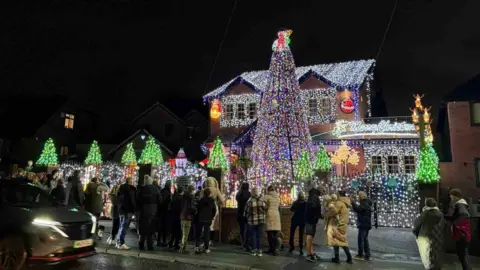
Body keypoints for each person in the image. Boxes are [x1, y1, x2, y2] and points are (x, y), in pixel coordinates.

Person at [413, 198, 445, 270]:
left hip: (425, 237)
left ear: (426, 204)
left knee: (427, 257)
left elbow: (416, 225)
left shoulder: (425, 214)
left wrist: (416, 234)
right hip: (438, 238)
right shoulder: (441, 214)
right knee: (436, 256)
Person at [326, 190, 352, 264]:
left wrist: (329, 210)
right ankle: (338, 258)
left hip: (337, 224)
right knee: (338, 241)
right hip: (343, 224)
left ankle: (348, 258)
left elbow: (333, 212)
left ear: (339, 195)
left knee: (341, 241)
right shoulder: (346, 203)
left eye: (337, 194)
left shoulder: (339, 203)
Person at [136, 175, 161, 251]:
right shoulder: (155, 189)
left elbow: (137, 200)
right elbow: (160, 200)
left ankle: (141, 244)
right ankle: (150, 245)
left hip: (143, 211)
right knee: (151, 228)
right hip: (153, 211)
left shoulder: (141, 190)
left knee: (143, 228)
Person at [447, 189, 470, 270]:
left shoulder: (460, 205)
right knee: (462, 255)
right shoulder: (461, 204)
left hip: (462, 234)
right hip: (463, 233)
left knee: (462, 256)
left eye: (451, 195)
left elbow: (464, 215)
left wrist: (456, 224)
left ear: (455, 196)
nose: (450, 197)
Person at [244, 187, 266, 257]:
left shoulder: (249, 201)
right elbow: (265, 209)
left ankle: (254, 250)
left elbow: (246, 212)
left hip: (252, 221)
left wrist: (248, 217)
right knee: (259, 236)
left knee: (253, 236)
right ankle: (260, 251)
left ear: (252, 192)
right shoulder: (262, 199)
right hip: (261, 220)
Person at [203, 177, 225, 247]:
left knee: (206, 226)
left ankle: (206, 241)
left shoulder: (204, 190)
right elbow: (222, 200)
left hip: (205, 209)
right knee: (213, 226)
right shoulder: (216, 190)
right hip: (214, 208)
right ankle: (211, 240)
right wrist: (217, 203)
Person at [116, 177, 137, 249]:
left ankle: (118, 242)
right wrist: (134, 210)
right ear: (130, 182)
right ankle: (121, 243)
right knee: (124, 227)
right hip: (128, 211)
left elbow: (118, 200)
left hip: (121, 210)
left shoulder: (121, 188)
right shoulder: (131, 189)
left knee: (121, 226)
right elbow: (132, 201)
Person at [351, 191, 372, 261]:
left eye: (359, 196)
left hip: (363, 224)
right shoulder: (367, 202)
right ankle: (367, 254)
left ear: (362, 196)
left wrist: (353, 202)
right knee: (365, 239)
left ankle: (360, 255)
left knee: (361, 239)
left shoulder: (364, 203)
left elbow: (358, 210)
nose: (358, 197)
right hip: (367, 223)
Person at [195, 188, 216, 254]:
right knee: (206, 234)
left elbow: (198, 208)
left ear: (204, 193)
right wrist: (211, 217)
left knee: (198, 232)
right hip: (208, 219)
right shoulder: (212, 201)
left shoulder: (201, 200)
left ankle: (197, 246)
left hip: (201, 218)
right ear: (209, 193)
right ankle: (206, 248)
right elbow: (214, 210)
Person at [304, 186, 322, 262]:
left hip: (311, 219)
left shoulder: (313, 196)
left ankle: (311, 253)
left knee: (310, 236)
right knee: (310, 235)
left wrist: (318, 215)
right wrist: (317, 215)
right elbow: (313, 207)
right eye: (322, 191)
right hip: (310, 219)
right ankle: (309, 254)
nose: (323, 193)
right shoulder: (314, 197)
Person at [180, 185, 196, 253]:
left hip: (182, 216)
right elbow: (190, 208)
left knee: (183, 233)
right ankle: (183, 248)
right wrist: (195, 210)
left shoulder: (183, 197)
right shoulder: (190, 198)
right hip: (187, 217)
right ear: (191, 190)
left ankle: (182, 247)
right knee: (186, 234)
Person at [236, 182, 251, 251]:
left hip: (240, 213)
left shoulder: (239, 194)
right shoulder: (249, 194)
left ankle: (242, 244)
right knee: (247, 230)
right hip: (247, 214)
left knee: (242, 230)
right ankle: (246, 244)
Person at [157, 180, 172, 247]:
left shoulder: (161, 191)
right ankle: (164, 241)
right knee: (165, 228)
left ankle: (158, 241)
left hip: (160, 211)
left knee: (160, 228)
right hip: (166, 212)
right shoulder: (169, 193)